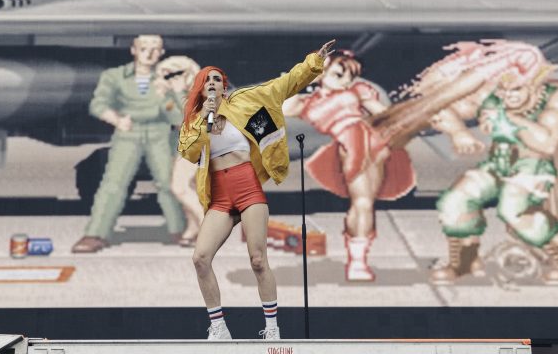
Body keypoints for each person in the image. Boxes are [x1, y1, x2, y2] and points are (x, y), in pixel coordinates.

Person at [179, 39, 335, 341]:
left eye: (217, 79)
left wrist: (314, 62)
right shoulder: (195, 123)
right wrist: (204, 121)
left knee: (258, 259)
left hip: (247, 187)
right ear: (200, 88)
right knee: (200, 258)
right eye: (206, 80)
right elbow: (189, 152)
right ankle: (219, 328)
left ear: (224, 86)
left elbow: (284, 85)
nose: (212, 84)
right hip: (220, 196)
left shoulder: (246, 101)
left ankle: (272, 328)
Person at [402, 41, 558, 285]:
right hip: (498, 164)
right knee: (456, 199)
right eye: (504, 90)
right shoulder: (494, 95)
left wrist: (508, 118)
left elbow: (546, 144)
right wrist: (458, 132)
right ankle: (464, 261)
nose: (508, 96)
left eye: (516, 90)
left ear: (533, 84)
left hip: (532, 168)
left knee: (513, 209)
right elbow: (434, 103)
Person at [283, 50, 415, 282]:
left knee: (364, 203)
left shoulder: (357, 91)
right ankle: (356, 260)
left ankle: (358, 261)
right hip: (346, 145)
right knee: (361, 202)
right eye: (339, 73)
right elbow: (285, 107)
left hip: (368, 139)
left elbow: (384, 114)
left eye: (350, 76)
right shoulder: (305, 102)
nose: (345, 80)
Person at [72, 35, 186, 253]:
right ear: (133, 50)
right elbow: (98, 104)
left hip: (159, 133)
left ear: (162, 53)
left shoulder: (167, 79)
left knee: (168, 183)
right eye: (144, 48)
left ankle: (180, 230)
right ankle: (95, 234)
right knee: (114, 183)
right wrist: (116, 119)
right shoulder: (115, 77)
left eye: (155, 49)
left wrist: (173, 95)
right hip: (128, 132)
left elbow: (179, 116)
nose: (149, 53)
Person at [154, 55, 204, 247]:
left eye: (176, 74)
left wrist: (176, 93)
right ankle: (192, 228)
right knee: (189, 188)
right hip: (179, 146)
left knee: (179, 188)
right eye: (166, 75)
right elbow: (173, 118)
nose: (171, 79)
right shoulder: (169, 97)